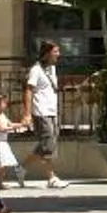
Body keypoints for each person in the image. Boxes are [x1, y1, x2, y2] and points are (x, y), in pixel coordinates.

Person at [22, 41, 67, 191]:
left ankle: (21, 168)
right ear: (47, 53)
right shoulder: (36, 70)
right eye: (55, 51)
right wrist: (27, 114)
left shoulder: (52, 69)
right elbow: (28, 91)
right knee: (48, 146)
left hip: (52, 110)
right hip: (41, 111)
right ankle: (51, 178)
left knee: (47, 144)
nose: (58, 54)